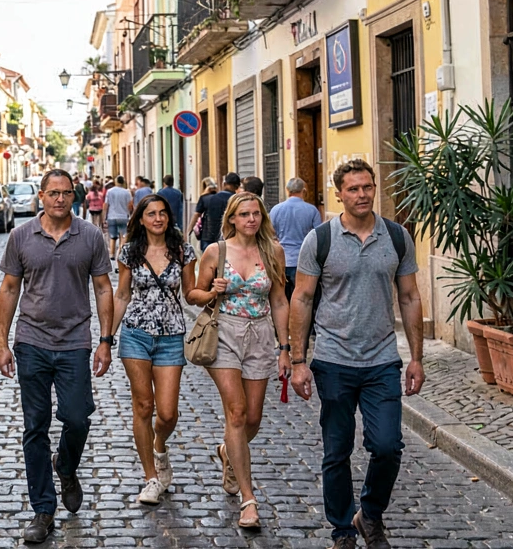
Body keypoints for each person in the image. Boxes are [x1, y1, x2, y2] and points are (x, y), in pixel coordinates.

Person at [289, 159, 424, 549]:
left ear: (375, 188)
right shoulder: (321, 239)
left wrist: (416, 357)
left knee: (387, 446)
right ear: (339, 194)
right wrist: (299, 361)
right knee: (337, 450)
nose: (362, 194)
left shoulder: (397, 237)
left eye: (367, 187)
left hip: (382, 358)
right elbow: (302, 297)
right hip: (333, 359)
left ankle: (370, 514)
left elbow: (411, 296)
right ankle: (343, 530)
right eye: (353, 189)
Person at [0, 170, 114, 543]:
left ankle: (65, 464)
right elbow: (10, 289)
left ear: (74, 195)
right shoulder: (21, 236)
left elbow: (103, 288)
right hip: (31, 342)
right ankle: (42, 511)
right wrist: (2, 343)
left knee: (78, 417)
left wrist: (106, 340)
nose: (59, 199)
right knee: (36, 426)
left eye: (66, 193)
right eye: (53, 193)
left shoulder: (91, 236)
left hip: (75, 342)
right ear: (42, 196)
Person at [187, 192, 291, 529]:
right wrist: (213, 290)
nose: (251, 219)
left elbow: (278, 300)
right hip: (224, 334)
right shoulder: (216, 252)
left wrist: (285, 347)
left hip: (260, 335)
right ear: (231, 218)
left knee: (254, 417)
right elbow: (194, 295)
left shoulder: (272, 251)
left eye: (256, 214)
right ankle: (249, 501)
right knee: (236, 411)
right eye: (244, 214)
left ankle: (227, 452)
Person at [108, 195, 196, 505]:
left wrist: (213, 291)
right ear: (140, 219)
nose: (157, 218)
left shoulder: (183, 249)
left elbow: (190, 292)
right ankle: (150, 477)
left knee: (168, 412)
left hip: (171, 335)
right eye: (151, 214)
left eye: (162, 213)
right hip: (135, 334)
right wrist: (107, 338)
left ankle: (159, 445)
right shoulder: (130, 251)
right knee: (143, 406)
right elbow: (121, 294)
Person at [269, 178, 323, 301]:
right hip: (304, 260)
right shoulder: (312, 210)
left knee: (283, 298)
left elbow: (270, 233)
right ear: (303, 190)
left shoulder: (276, 209)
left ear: (287, 190)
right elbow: (319, 235)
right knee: (302, 298)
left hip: (282, 260)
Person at [194, 173, 239, 251]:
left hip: (208, 237)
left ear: (224, 183)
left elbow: (196, 214)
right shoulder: (237, 200)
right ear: (237, 186)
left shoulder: (207, 198)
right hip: (228, 238)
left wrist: (188, 231)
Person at [104, 176, 134, 260]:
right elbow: (130, 205)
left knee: (112, 237)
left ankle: (112, 254)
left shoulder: (110, 191)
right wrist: (130, 213)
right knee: (123, 236)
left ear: (116, 182)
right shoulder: (126, 192)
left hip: (112, 216)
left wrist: (104, 216)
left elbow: (106, 204)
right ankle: (120, 253)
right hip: (123, 216)